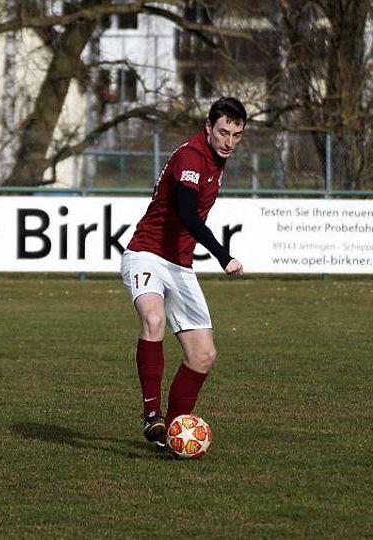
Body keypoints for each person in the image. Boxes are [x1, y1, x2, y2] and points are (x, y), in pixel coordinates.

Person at [120, 97, 247, 451]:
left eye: (236, 135)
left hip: (180, 265)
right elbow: (188, 214)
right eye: (223, 132)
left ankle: (172, 434)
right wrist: (224, 256)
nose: (229, 141)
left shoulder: (216, 161)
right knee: (153, 318)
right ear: (208, 128)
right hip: (146, 254)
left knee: (203, 354)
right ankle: (152, 415)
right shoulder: (191, 156)